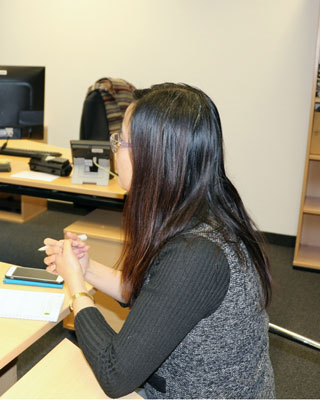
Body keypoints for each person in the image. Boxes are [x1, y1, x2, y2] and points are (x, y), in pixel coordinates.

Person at [43, 83, 275, 398]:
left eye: (119, 140)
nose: (115, 149)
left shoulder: (196, 255)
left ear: (153, 155)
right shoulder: (203, 211)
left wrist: (77, 290)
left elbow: (115, 374)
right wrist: (87, 268)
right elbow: (160, 295)